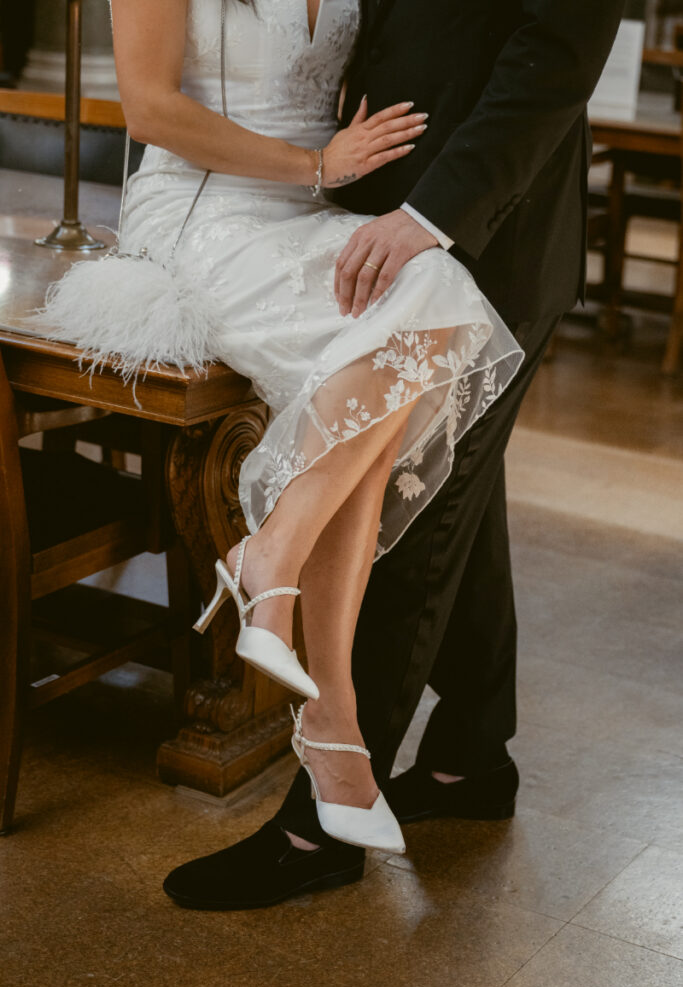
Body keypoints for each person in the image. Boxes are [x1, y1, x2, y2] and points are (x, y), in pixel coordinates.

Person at [32, 0, 524, 873]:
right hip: (203, 211)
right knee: (392, 371)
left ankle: (281, 587)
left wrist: (345, 174)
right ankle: (329, 724)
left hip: (313, 215)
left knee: (396, 367)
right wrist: (313, 163)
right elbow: (148, 109)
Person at [155, 0, 625, 911]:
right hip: (367, 229)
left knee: (412, 530)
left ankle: (317, 827)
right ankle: (468, 759)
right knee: (460, 501)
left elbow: (556, 57)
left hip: (481, 236)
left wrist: (433, 214)